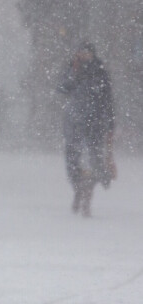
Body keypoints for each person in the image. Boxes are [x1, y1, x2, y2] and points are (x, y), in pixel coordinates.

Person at [57, 41, 116, 217]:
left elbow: (108, 99)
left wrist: (110, 124)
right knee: (73, 161)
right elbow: (61, 88)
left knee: (95, 161)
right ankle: (79, 189)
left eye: (86, 52)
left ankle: (87, 196)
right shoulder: (72, 69)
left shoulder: (100, 72)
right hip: (74, 123)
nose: (84, 55)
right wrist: (73, 72)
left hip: (94, 123)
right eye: (81, 52)